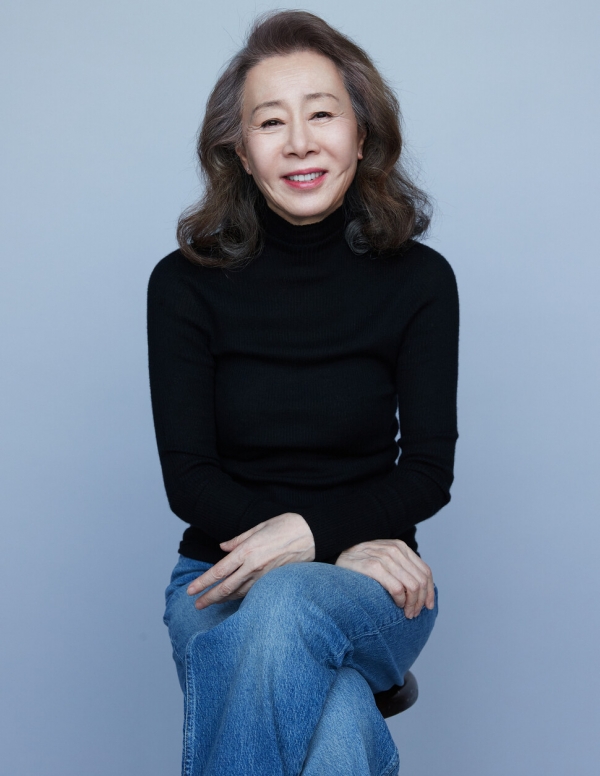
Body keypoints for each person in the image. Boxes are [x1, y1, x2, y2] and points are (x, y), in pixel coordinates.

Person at [146, 10, 459, 776]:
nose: (298, 143)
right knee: (338, 726)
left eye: (321, 114)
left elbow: (427, 473)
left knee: (288, 606)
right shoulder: (183, 285)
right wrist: (316, 542)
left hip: (373, 582)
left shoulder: (421, 281)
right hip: (218, 579)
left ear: (361, 133)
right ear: (240, 151)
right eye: (269, 122)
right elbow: (190, 479)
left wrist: (316, 542)